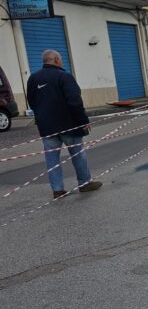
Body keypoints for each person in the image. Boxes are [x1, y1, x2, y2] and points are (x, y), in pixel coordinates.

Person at [26, 50, 102, 199]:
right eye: (60, 59)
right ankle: (85, 183)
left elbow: (32, 102)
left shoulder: (33, 78)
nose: (62, 62)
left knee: (52, 159)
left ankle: (58, 190)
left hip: (47, 127)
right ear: (55, 59)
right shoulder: (64, 76)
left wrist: (41, 116)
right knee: (78, 155)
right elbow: (74, 101)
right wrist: (83, 121)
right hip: (69, 125)